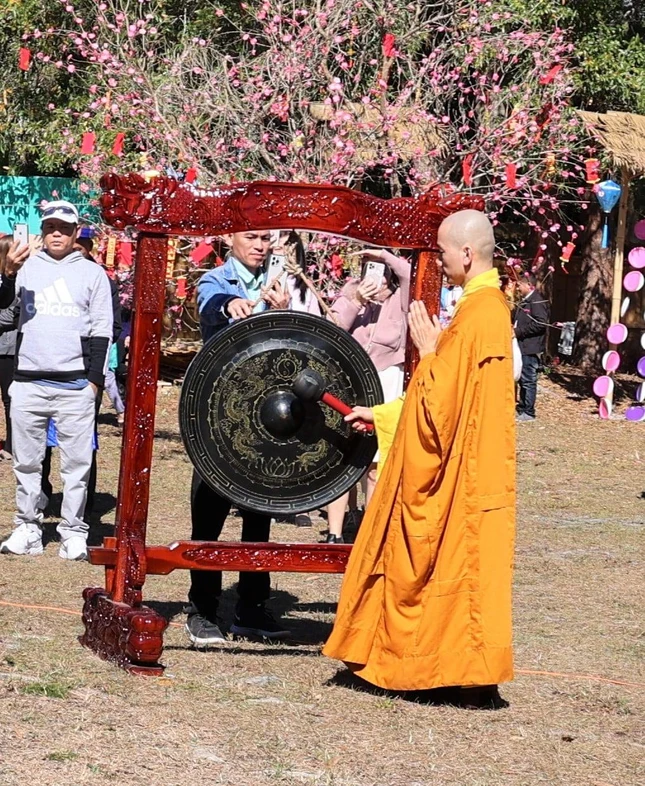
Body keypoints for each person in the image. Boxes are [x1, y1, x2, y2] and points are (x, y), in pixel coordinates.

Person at [323, 210, 515, 707]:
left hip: (459, 471)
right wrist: (382, 415)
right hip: (468, 465)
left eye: (445, 251)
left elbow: (441, 408)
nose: (442, 260)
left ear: (466, 254)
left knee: (448, 563)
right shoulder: (484, 309)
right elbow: (450, 398)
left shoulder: (480, 315)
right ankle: (460, 672)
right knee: (459, 566)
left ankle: (442, 670)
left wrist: (428, 352)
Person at [185, 230, 292, 646]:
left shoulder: (279, 281)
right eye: (251, 237)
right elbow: (209, 304)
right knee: (209, 511)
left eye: (266, 238)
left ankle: (252, 606)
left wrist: (283, 313)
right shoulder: (216, 280)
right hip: (219, 410)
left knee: (260, 511)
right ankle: (202, 609)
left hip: (264, 414)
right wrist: (230, 304)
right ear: (230, 238)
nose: (260, 245)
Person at [0, 201, 113, 561]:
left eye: (64, 228)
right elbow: (4, 312)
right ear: (43, 231)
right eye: (50, 227)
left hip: (75, 385)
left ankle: (73, 531)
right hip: (28, 382)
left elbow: (102, 330)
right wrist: (8, 276)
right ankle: (28, 527)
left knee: (77, 465)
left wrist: (93, 382)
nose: (57, 234)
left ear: (76, 232)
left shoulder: (93, 274)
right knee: (26, 463)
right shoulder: (27, 267)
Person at [324, 248, 410, 543]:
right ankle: (334, 534)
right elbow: (330, 329)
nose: (376, 276)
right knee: (344, 459)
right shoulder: (351, 292)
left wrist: (386, 256)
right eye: (369, 268)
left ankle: (369, 535)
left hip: (386, 383)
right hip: (351, 384)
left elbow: (410, 274)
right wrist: (357, 301)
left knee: (375, 465)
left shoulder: (400, 300)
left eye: (381, 269)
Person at [514, 273, 549, 422]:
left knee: (528, 380)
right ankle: (522, 408)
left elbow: (540, 323)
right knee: (522, 379)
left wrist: (518, 331)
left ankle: (529, 412)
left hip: (530, 347)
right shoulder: (525, 301)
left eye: (519, 285)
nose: (517, 288)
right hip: (522, 346)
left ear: (529, 285)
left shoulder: (536, 302)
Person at [0, 235, 19, 459]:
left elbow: (11, 315)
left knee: (10, 398)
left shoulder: (20, 282)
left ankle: (11, 445)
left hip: (9, 349)